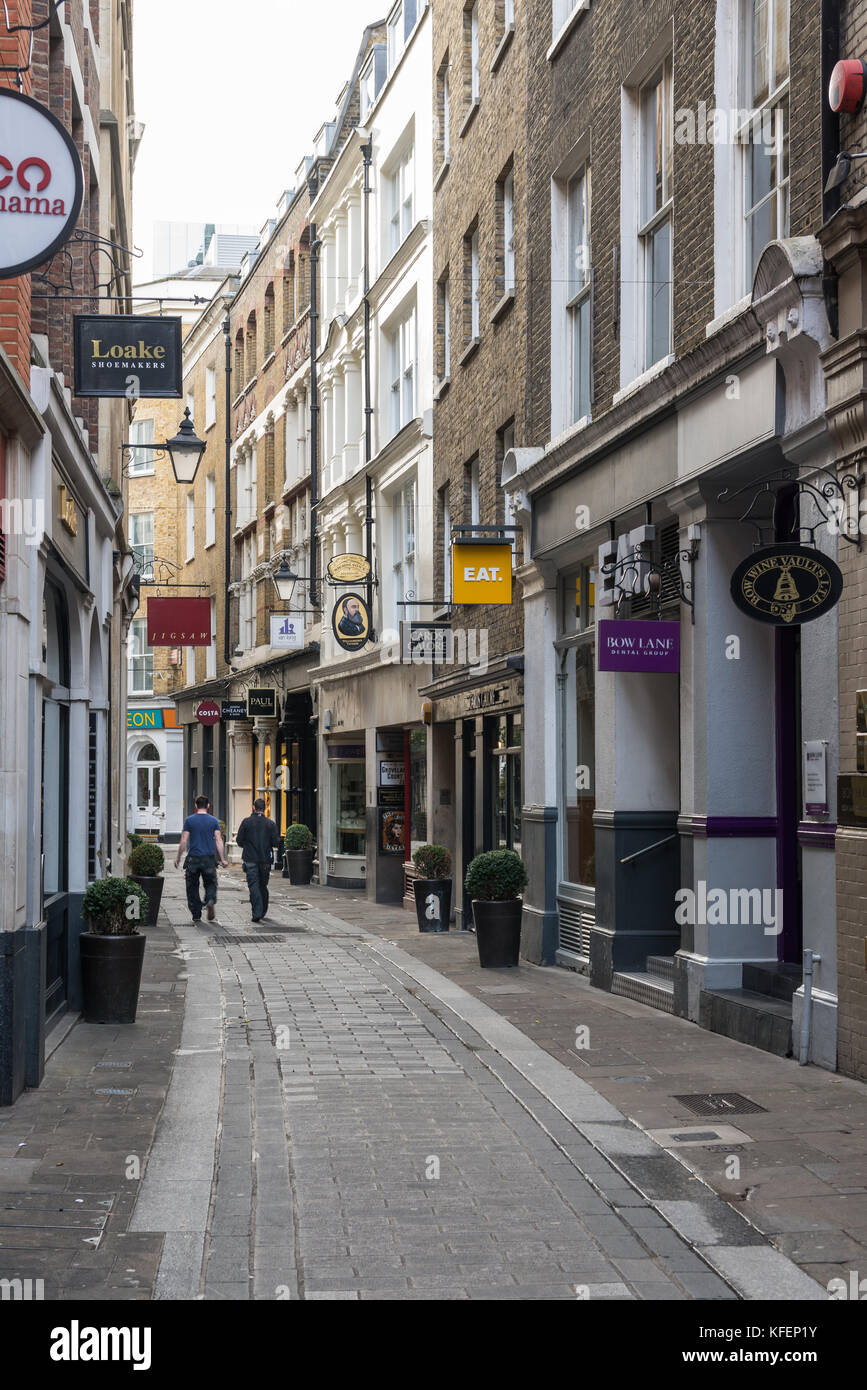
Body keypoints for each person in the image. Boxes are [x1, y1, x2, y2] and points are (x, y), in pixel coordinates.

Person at [175, 795, 227, 923]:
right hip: (208, 859)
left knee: (192, 886)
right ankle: (210, 900)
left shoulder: (189, 820)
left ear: (196, 806)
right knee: (211, 883)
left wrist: (178, 857)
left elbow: (184, 841)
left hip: (193, 859)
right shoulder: (214, 821)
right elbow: (219, 840)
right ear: (208, 805)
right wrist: (222, 859)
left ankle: (196, 914)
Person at [235, 798, 280, 922]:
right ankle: (263, 910)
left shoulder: (246, 822)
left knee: (253, 885)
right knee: (263, 885)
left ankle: (257, 912)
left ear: (254, 807)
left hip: (250, 858)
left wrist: (248, 845)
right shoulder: (270, 824)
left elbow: (239, 840)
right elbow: (276, 842)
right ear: (264, 809)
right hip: (265, 859)